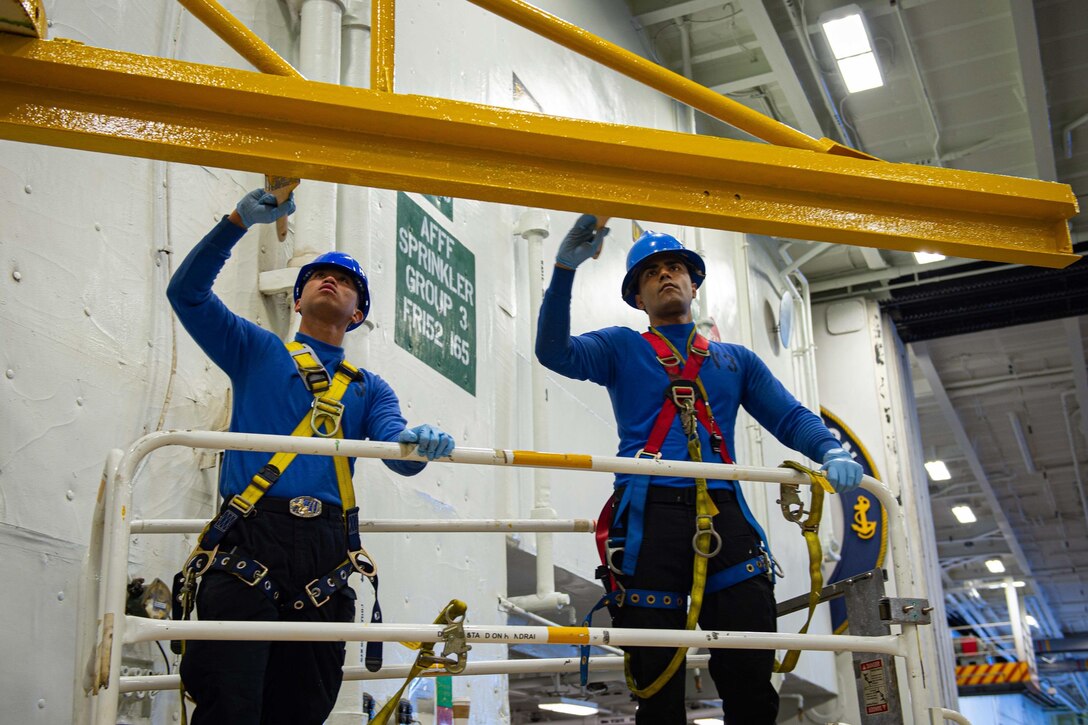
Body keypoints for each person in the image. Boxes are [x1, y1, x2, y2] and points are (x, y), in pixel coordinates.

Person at [535, 216, 863, 724]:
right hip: (650, 520)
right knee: (656, 685)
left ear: (694, 284)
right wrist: (564, 270)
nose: (665, 276)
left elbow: (790, 415)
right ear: (637, 298)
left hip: (725, 513)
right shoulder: (622, 349)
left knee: (751, 677)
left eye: (675, 268)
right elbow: (554, 352)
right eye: (651, 274)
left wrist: (830, 451)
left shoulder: (736, 362)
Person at [167, 189, 455, 725]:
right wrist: (235, 223)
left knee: (303, 710)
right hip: (250, 535)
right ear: (297, 301)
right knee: (230, 706)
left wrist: (419, 443)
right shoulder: (256, 351)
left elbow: (398, 453)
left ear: (358, 312)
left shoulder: (371, 389)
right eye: (319, 276)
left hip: (326, 550)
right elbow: (187, 294)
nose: (331, 280)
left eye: (345, 281)